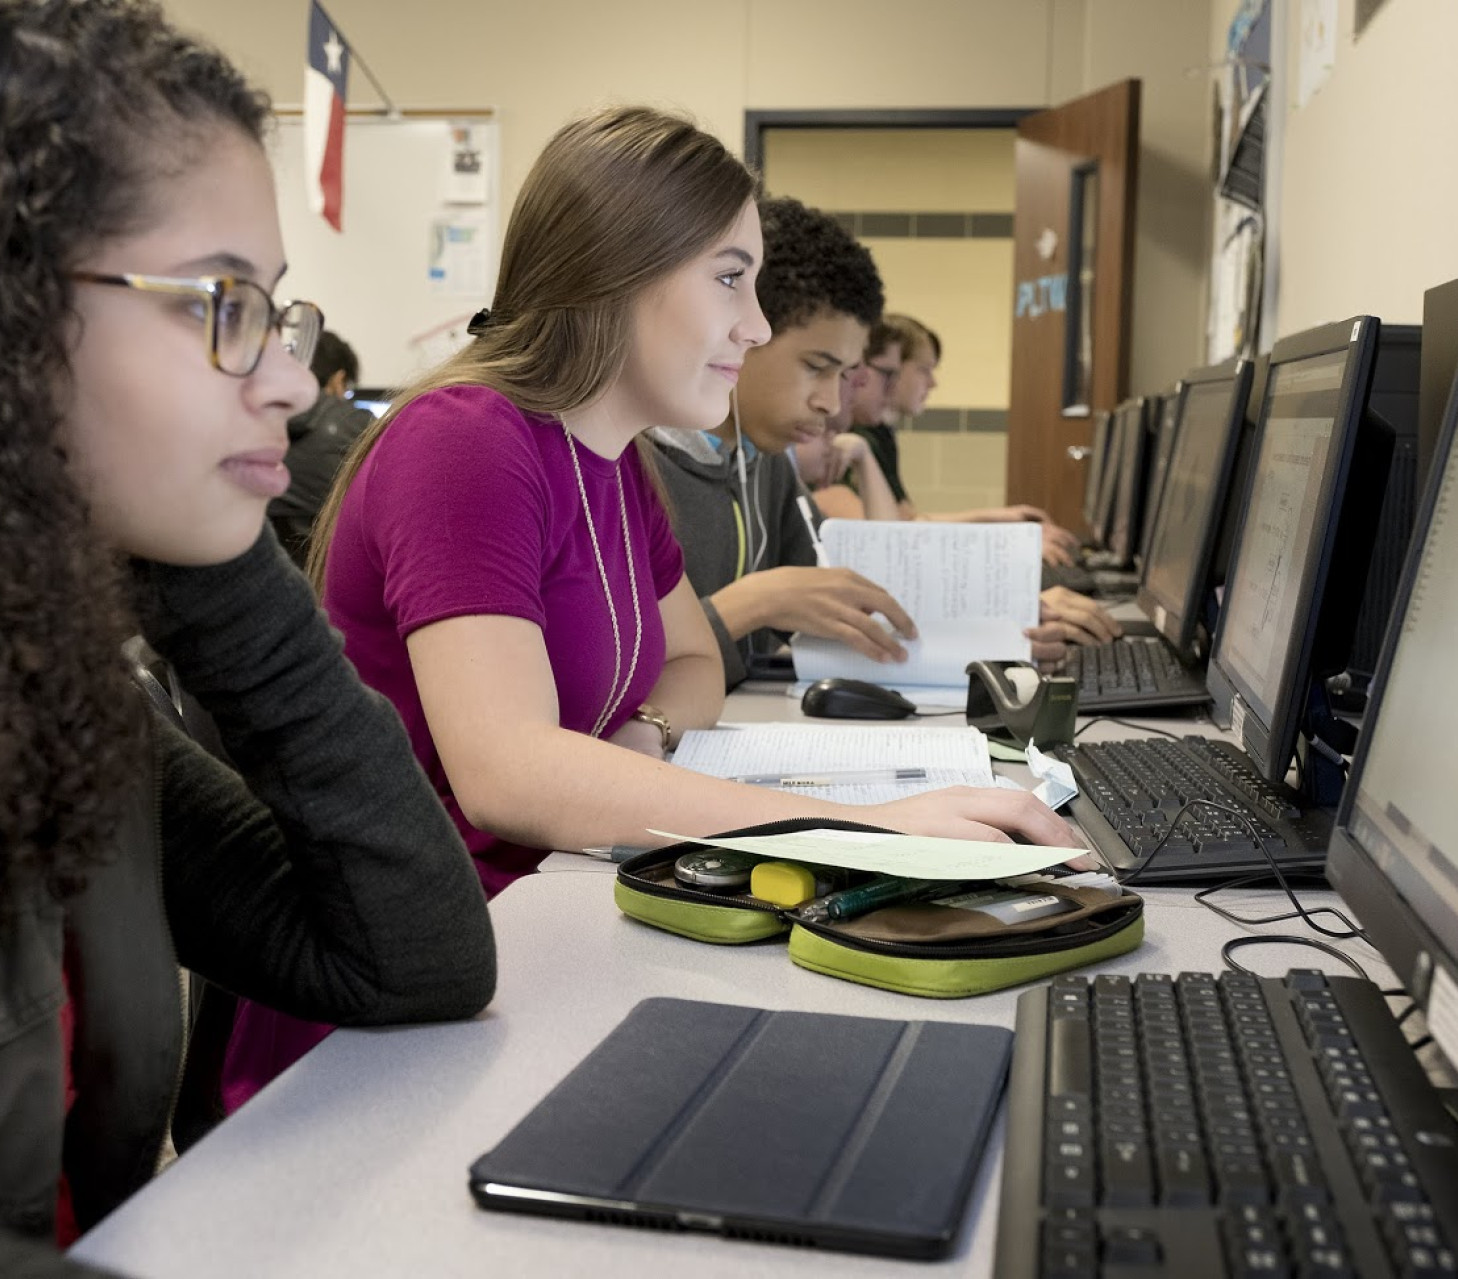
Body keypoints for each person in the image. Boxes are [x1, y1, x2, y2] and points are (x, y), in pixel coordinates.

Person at [0, 3, 496, 1272]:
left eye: (274, 311)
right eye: (221, 302)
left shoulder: (61, 694)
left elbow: (413, 959)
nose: (284, 374)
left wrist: (214, 568)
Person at [654, 196, 1121, 686]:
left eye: (844, 375)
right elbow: (618, 680)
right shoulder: (644, 467)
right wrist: (752, 605)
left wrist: (1008, 614)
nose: (832, 405)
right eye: (816, 367)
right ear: (744, 331)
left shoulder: (761, 465)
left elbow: (853, 585)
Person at [848, 314, 1084, 567]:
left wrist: (1000, 523)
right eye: (923, 370)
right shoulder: (853, 441)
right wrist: (1007, 543)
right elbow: (885, 537)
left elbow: (907, 521)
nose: (933, 383)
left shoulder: (876, 436)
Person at [268, 329, 374, 567]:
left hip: (265, 569)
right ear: (338, 379)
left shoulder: (260, 416)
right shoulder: (357, 423)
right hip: (330, 572)